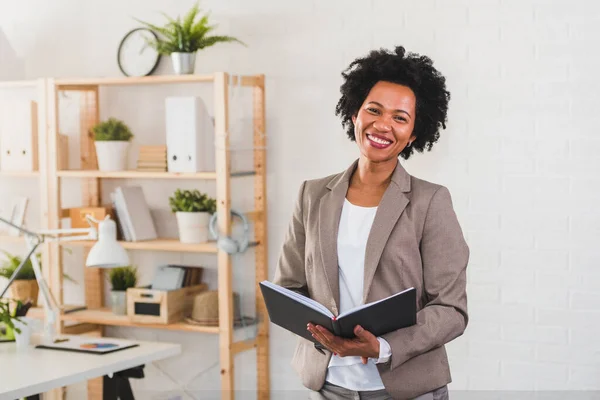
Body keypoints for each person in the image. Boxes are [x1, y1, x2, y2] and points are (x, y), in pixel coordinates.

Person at [272, 45, 469, 400]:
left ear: (413, 134)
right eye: (374, 110)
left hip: (406, 388)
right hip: (329, 385)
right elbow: (288, 288)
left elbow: (452, 309)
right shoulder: (311, 195)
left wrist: (382, 346)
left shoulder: (431, 201)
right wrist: (320, 331)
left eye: (400, 117)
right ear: (354, 114)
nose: (383, 125)